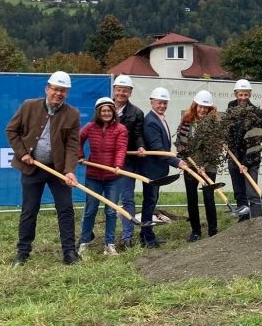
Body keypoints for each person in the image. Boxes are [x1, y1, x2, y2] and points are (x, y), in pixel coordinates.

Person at [6, 71, 81, 266]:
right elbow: (11, 130)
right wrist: (23, 153)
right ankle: (22, 253)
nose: (59, 93)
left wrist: (70, 170)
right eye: (56, 89)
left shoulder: (72, 114)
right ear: (47, 89)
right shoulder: (29, 106)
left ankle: (69, 252)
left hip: (58, 170)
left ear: (67, 93)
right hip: (32, 168)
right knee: (29, 210)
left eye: (63, 90)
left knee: (66, 209)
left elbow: (72, 145)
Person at [77, 97, 128, 256]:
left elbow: (121, 149)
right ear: (98, 113)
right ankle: (84, 242)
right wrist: (80, 155)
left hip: (114, 177)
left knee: (111, 211)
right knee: (90, 210)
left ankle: (109, 245)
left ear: (113, 112)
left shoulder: (120, 129)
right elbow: (77, 140)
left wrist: (118, 165)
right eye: (103, 111)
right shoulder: (90, 127)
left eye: (109, 110)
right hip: (93, 176)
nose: (106, 113)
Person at [140, 87, 188, 248]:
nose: (162, 106)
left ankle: (144, 235)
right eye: (159, 102)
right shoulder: (151, 121)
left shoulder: (159, 118)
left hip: (157, 170)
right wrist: (177, 162)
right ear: (152, 102)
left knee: (151, 202)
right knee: (150, 202)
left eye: (165, 103)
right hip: (151, 170)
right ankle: (148, 238)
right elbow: (157, 149)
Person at [175, 90, 219, 242]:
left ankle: (213, 231)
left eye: (205, 107)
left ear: (210, 109)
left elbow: (215, 149)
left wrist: (204, 165)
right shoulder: (186, 122)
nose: (202, 110)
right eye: (200, 106)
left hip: (208, 165)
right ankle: (195, 231)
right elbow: (179, 143)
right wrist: (183, 153)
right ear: (195, 106)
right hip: (191, 165)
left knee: (209, 196)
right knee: (191, 197)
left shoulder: (214, 125)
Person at [111, 75, 146, 248]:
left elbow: (138, 134)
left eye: (125, 90)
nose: (121, 93)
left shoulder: (136, 113)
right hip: (106, 161)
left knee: (127, 198)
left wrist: (140, 146)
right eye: (119, 90)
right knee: (107, 199)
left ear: (130, 92)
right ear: (114, 90)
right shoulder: (104, 108)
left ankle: (127, 236)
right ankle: (105, 237)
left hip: (127, 161)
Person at [225, 79, 262, 221]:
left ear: (250, 94)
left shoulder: (257, 113)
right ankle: (244, 221)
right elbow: (228, 131)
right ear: (236, 94)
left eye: (245, 95)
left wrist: (246, 163)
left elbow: (255, 141)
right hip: (234, 157)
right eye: (240, 94)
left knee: (252, 192)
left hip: (251, 159)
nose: (243, 98)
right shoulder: (231, 107)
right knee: (239, 193)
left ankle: (257, 221)